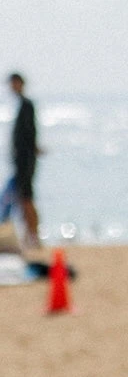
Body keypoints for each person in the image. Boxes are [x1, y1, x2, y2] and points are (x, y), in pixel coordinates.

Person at [8, 73, 42, 249]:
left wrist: (34, 149)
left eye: (14, 83)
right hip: (22, 159)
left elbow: (30, 131)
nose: (11, 87)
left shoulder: (26, 105)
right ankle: (30, 234)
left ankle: (34, 235)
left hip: (25, 160)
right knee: (24, 198)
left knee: (26, 198)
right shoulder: (22, 105)